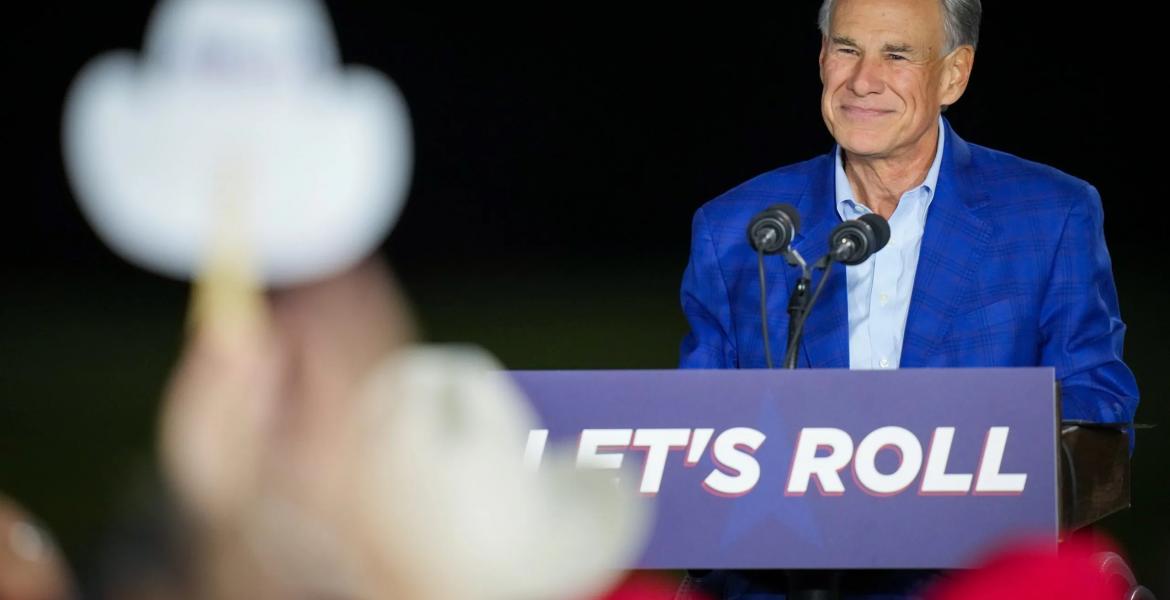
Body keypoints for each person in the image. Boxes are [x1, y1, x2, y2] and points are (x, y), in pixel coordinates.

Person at [677, 0, 1139, 597]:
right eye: (846, 49)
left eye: (896, 55)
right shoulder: (739, 230)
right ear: (822, 58)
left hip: (978, 581)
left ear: (954, 74)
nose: (862, 81)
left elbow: (1097, 412)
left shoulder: (1050, 215)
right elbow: (695, 436)